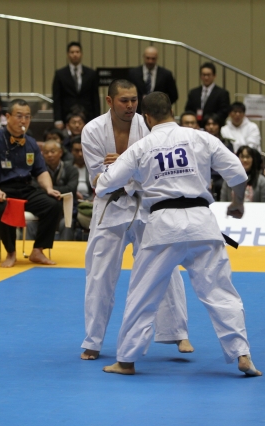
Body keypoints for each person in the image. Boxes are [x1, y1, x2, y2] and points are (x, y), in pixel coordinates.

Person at [95, 91, 261, 377]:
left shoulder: (141, 146)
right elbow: (238, 172)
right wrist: (237, 203)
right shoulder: (200, 138)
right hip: (202, 224)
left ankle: (127, 360)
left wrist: (103, 175)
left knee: (142, 295)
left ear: (146, 117)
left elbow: (106, 184)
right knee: (221, 293)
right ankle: (242, 354)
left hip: (163, 226)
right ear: (172, 111)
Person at [80, 80, 192, 361]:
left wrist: (120, 164)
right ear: (110, 101)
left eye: (134, 100)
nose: (130, 106)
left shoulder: (149, 127)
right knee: (99, 275)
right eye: (124, 101)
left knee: (166, 267)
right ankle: (93, 340)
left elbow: (157, 173)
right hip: (110, 209)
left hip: (146, 206)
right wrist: (129, 168)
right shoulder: (92, 130)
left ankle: (178, 332)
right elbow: (98, 180)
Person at [0, 99, 63, 267]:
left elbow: (41, 171)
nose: (23, 121)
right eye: (19, 116)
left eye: (27, 117)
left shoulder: (31, 143)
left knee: (53, 204)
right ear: (7, 117)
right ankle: (11, 253)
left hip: (25, 189)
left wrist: (49, 188)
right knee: (4, 206)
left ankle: (38, 250)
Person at [52, 41, 100, 127]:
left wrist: (97, 118)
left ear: (81, 54)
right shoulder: (60, 74)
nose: (75, 54)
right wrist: (58, 119)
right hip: (66, 116)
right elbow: (57, 98)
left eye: (77, 52)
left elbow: (95, 98)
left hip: (88, 116)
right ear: (68, 54)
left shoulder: (91, 73)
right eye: (72, 52)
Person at [128, 46, 178, 113]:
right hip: (138, 111)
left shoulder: (166, 74)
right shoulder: (133, 73)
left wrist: (163, 106)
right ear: (143, 57)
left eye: (153, 58)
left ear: (157, 58)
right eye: (148, 58)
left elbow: (174, 95)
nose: (150, 61)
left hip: (159, 112)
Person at [184, 62, 230, 127]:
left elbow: (223, 112)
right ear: (200, 76)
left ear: (214, 76)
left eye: (208, 75)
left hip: (214, 127)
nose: (206, 77)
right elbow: (188, 110)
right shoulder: (193, 92)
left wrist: (210, 123)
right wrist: (194, 123)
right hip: (196, 126)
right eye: (204, 75)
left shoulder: (222, 93)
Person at [204, 113, 233, 201]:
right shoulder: (198, 144)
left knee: (221, 184)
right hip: (203, 176)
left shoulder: (227, 144)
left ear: (219, 126)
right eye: (208, 124)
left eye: (214, 124)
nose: (211, 127)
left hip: (221, 177)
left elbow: (229, 165)